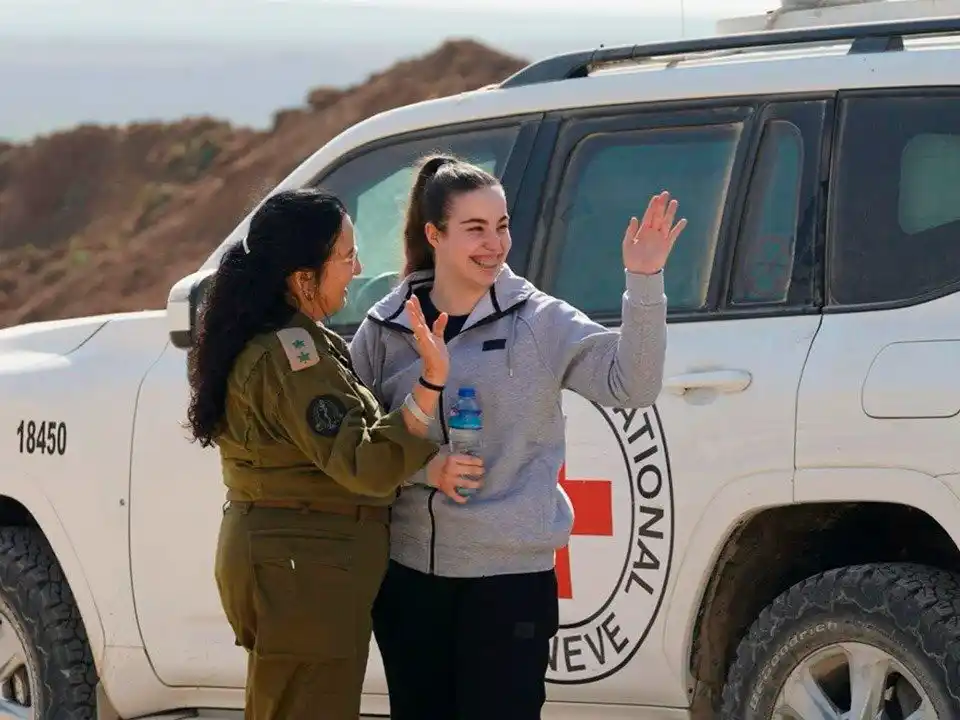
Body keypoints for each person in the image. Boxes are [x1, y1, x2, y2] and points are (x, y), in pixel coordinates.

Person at [349, 155, 686, 720]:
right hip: (410, 580)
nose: (495, 244)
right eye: (475, 229)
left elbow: (632, 384)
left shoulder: (540, 320)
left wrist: (644, 281)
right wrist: (424, 470)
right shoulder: (385, 328)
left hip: (509, 583)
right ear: (434, 235)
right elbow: (358, 444)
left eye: (502, 226)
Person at [183, 187, 483, 720]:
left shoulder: (298, 342)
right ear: (304, 278)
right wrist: (429, 385)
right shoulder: (291, 355)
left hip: (303, 574)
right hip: (302, 578)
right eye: (347, 257)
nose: (357, 269)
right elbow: (363, 464)